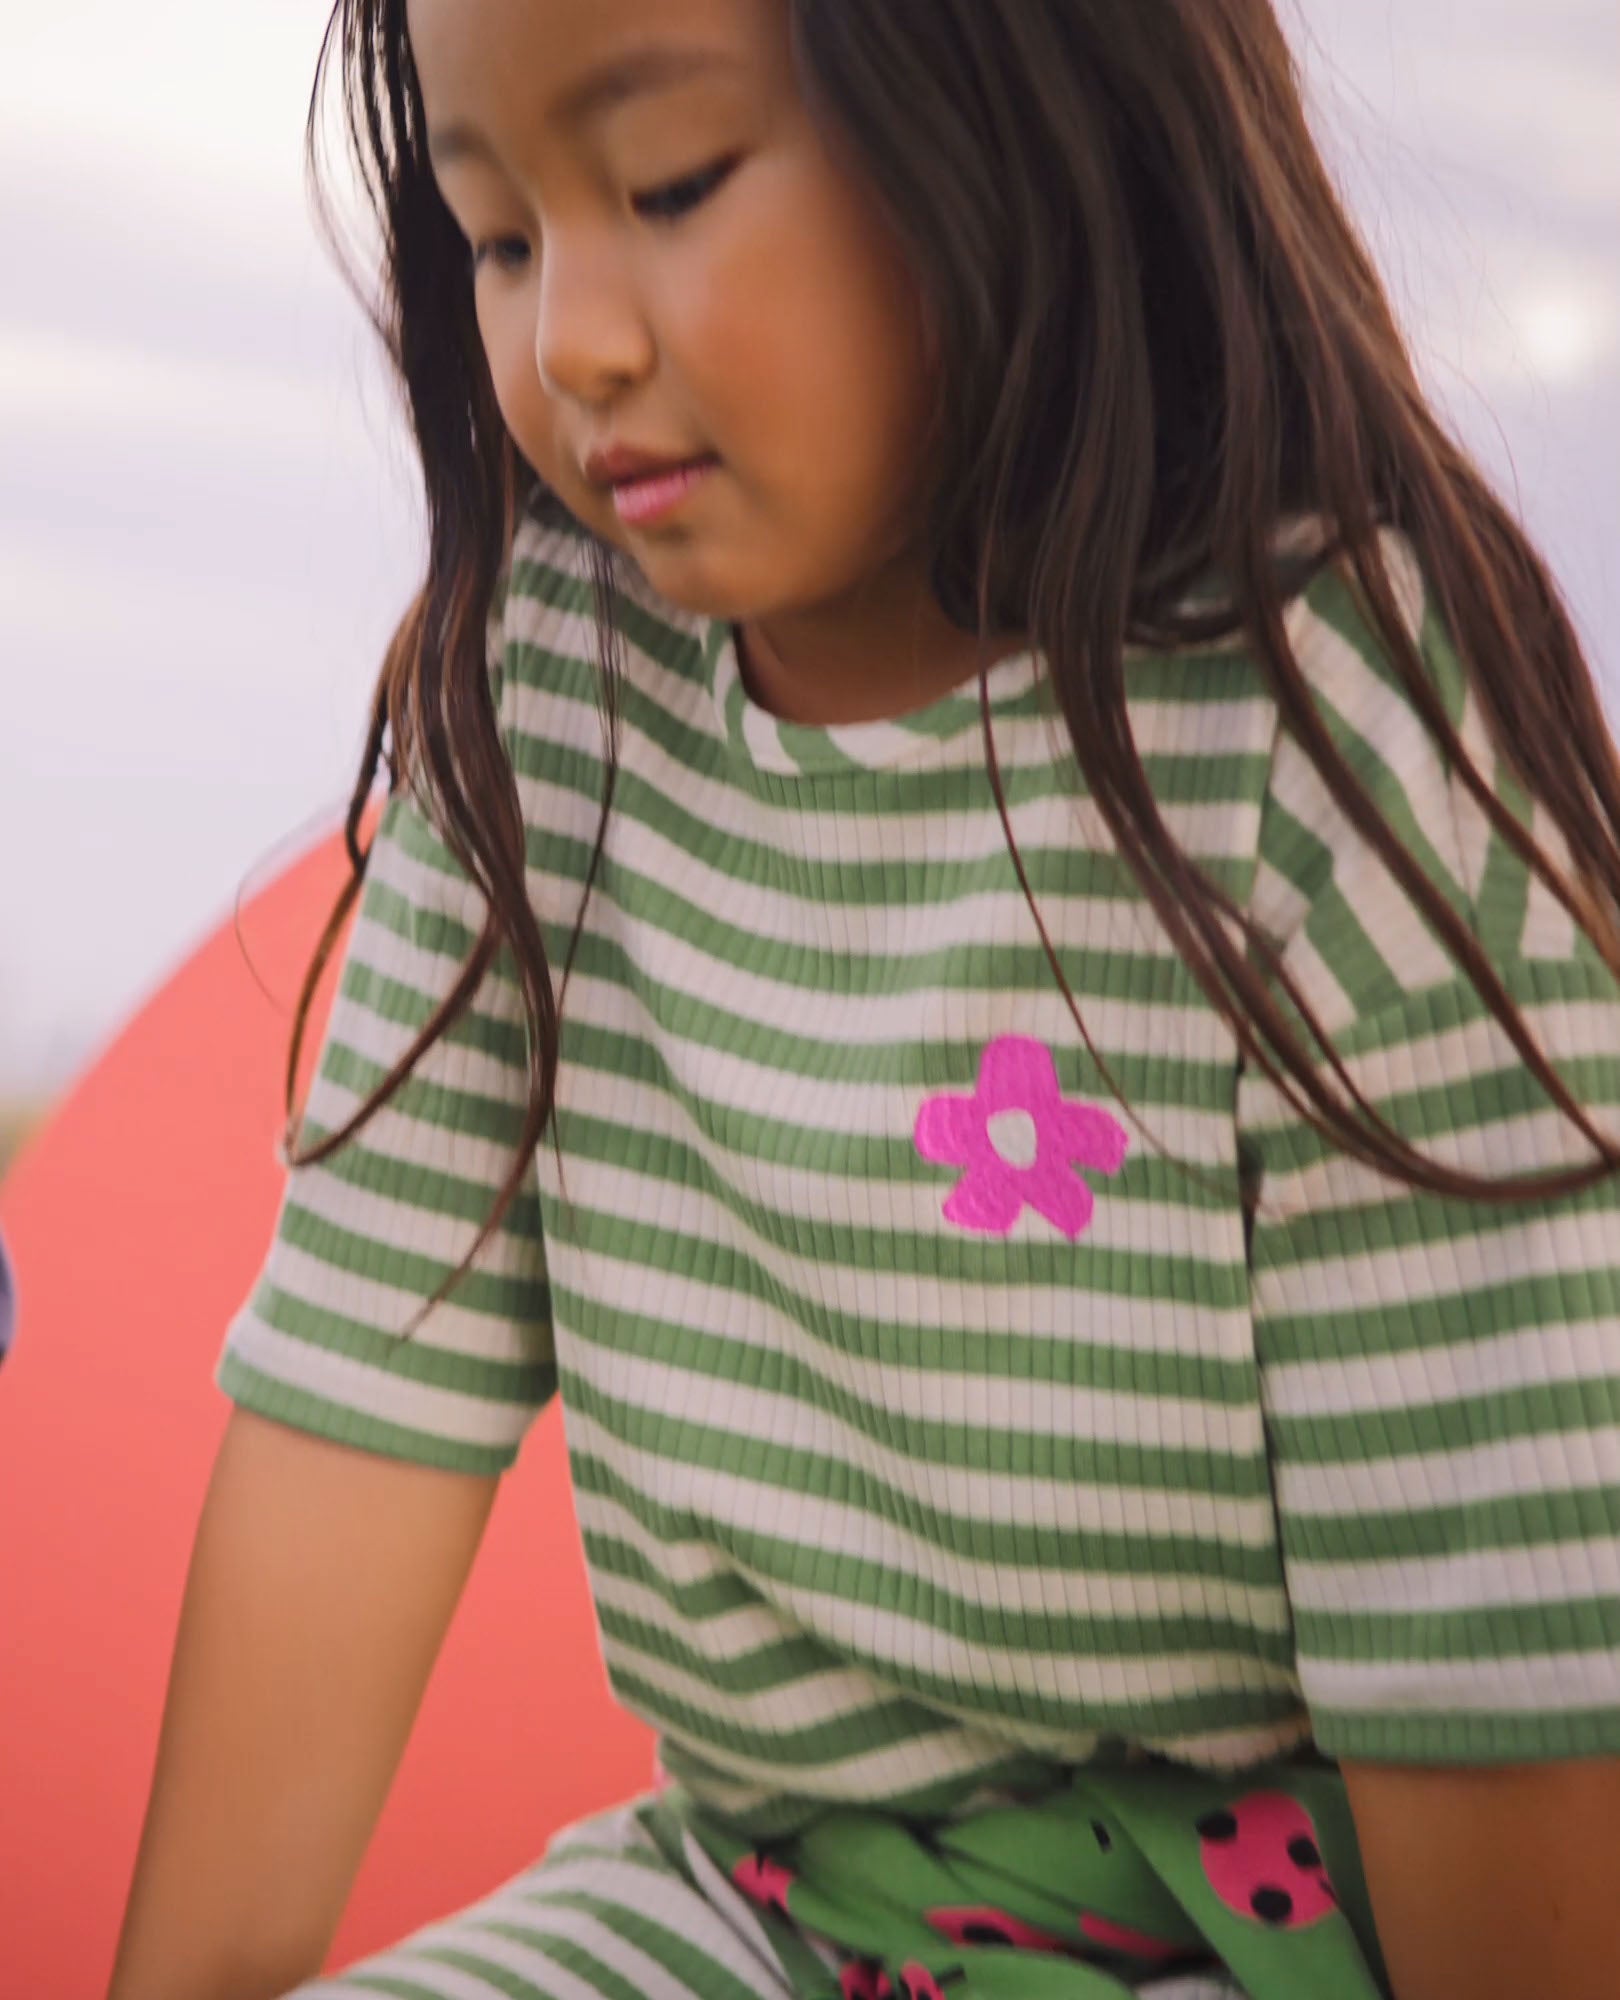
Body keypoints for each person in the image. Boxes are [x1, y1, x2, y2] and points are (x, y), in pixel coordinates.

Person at [107, 2, 1620, 1997]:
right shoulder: (551, 691)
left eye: (666, 185)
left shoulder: (1327, 741)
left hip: (1293, 1936)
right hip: (771, 1904)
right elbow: (355, 1405)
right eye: (498, 236)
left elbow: (1495, 1628)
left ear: (1018, 102)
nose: (572, 339)